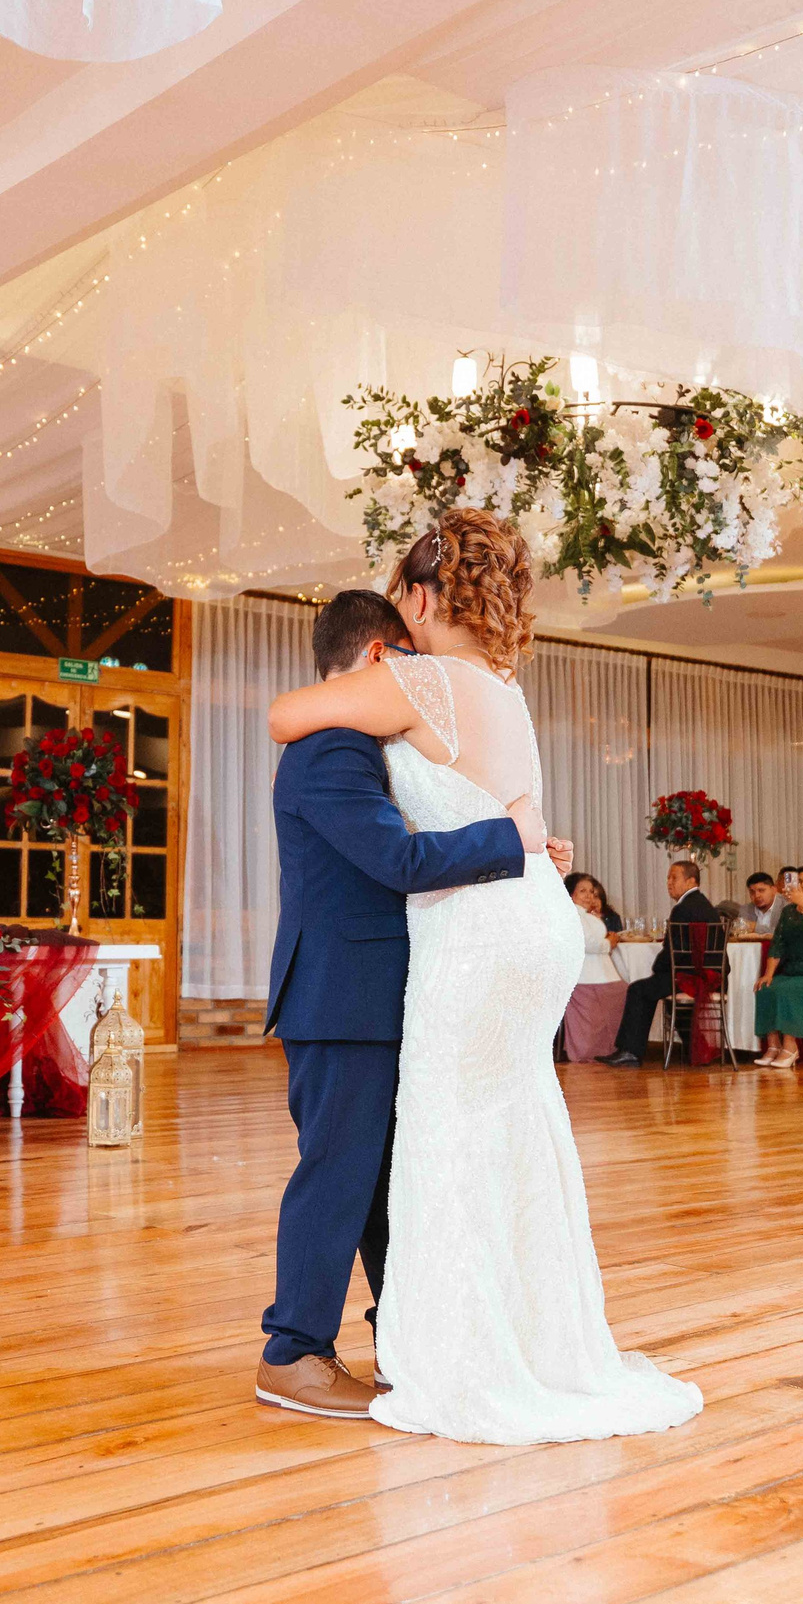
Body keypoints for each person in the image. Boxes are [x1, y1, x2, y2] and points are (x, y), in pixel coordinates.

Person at [267, 508, 701, 1444]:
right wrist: (517, 839)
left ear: (423, 602)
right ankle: (353, 1343)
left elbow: (292, 722)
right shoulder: (488, 693)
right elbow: (417, 842)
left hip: (472, 940)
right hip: (464, 946)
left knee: (436, 1143)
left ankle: (437, 1344)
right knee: (435, 1144)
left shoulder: (414, 687)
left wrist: (513, 841)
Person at [254, 589, 559, 1422]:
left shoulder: (358, 746)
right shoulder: (329, 747)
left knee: (388, 1183)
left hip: (375, 998)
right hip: (341, 999)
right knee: (338, 1176)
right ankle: (292, 1352)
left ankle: (405, 1340)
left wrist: (513, 839)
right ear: (381, 657)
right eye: (412, 664)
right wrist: (510, 836)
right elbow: (396, 860)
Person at [603, 860, 723, 1065]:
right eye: (668, 878)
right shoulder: (705, 905)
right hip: (710, 974)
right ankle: (693, 1049)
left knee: (638, 990)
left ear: (691, 881)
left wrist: (657, 969)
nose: (669, 882)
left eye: (674, 878)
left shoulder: (683, 909)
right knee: (651, 987)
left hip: (690, 976)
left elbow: (673, 952)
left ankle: (630, 1051)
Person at [753, 870, 803, 1068]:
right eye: (801, 881)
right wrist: (768, 974)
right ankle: (774, 1046)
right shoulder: (788, 911)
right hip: (792, 970)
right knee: (764, 987)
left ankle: (791, 1048)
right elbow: (777, 944)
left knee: (786, 989)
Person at [562, 873, 626, 1063]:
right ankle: (594, 1050)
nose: (589, 895)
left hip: (599, 973)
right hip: (587, 977)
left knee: (623, 995)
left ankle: (609, 1048)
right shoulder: (571, 914)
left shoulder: (585, 915)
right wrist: (608, 943)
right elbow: (585, 943)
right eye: (583, 891)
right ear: (571, 894)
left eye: (591, 891)